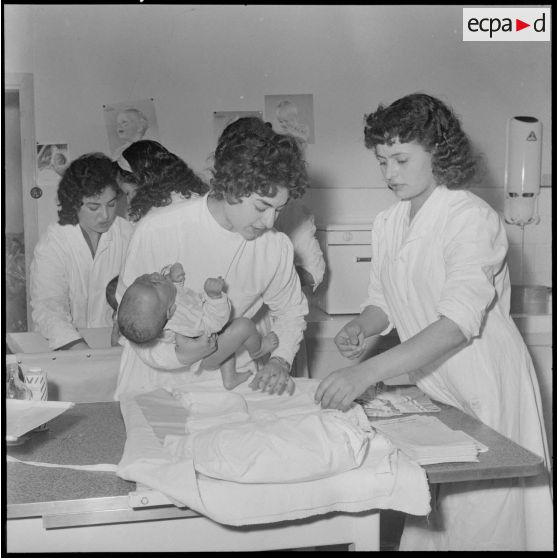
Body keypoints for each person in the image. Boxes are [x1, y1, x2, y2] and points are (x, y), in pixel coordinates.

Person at [314, 93, 553, 551]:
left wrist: (366, 371)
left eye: (401, 160)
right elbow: (383, 298)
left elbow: (455, 324)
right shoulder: (388, 221)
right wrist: (364, 326)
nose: (389, 174)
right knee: (432, 518)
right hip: (440, 385)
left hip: (487, 386)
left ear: (438, 153)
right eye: (382, 161)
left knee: (486, 523)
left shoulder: (470, 218)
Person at [114, 118, 310, 399]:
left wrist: (280, 360)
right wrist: (179, 355)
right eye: (262, 206)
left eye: (278, 210)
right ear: (230, 186)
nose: (269, 222)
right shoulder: (159, 228)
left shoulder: (275, 247)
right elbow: (131, 318)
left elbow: (291, 312)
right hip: (155, 381)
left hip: (227, 376)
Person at [117, 263, 279, 390]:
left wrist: (175, 281)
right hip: (207, 354)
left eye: (143, 281)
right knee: (244, 326)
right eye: (154, 283)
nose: (152, 276)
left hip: (210, 342)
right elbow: (215, 323)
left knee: (228, 337)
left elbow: (179, 295)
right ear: (170, 312)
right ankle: (257, 349)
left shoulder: (165, 306)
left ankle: (230, 378)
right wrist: (215, 297)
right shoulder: (184, 324)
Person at [30, 153, 134, 351]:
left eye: (111, 204)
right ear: (74, 202)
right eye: (94, 207)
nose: (105, 215)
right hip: (66, 346)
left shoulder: (128, 234)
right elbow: (49, 305)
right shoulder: (54, 243)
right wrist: (78, 349)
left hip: (116, 346)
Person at [113, 140, 209, 222]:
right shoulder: (195, 198)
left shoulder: (156, 218)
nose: (129, 202)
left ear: (145, 182)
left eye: (127, 193)